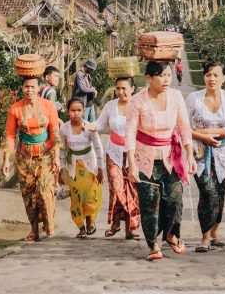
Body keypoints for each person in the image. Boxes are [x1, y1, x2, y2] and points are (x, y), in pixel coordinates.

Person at [125, 61, 196, 261]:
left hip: (170, 158)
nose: (166, 79)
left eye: (168, 75)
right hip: (144, 160)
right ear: (149, 78)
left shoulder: (175, 97)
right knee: (149, 204)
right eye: (161, 75)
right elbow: (129, 133)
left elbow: (184, 127)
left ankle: (172, 235)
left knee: (174, 199)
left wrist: (190, 154)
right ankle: (153, 245)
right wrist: (131, 164)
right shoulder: (138, 101)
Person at [185, 61, 225, 252]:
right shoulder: (194, 98)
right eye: (208, 74)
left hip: (223, 153)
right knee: (207, 192)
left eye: (216, 75)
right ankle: (205, 236)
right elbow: (183, 126)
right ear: (204, 77)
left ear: (224, 78)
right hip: (200, 152)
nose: (212, 78)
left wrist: (212, 132)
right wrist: (202, 136)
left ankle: (215, 231)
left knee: (220, 193)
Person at [2, 76, 61, 242]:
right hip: (24, 157)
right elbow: (10, 136)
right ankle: (34, 229)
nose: (30, 90)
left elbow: (55, 131)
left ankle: (49, 224)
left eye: (33, 87)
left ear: (39, 88)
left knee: (45, 190)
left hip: (46, 154)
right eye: (27, 87)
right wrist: (6, 160)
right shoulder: (15, 109)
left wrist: (56, 157)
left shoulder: (48, 106)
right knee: (28, 194)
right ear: (22, 88)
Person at [89, 76, 141, 239]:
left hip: (135, 154)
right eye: (117, 88)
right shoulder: (110, 106)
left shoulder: (139, 106)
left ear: (132, 88)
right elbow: (99, 124)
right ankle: (117, 222)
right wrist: (87, 125)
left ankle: (128, 228)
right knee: (117, 188)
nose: (120, 92)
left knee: (132, 190)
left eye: (124, 88)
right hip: (114, 152)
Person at [59, 98, 106, 237]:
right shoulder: (64, 129)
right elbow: (62, 150)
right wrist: (61, 170)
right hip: (73, 167)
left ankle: (90, 221)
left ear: (83, 111)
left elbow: (98, 148)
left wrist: (101, 169)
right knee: (76, 198)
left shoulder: (89, 127)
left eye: (79, 110)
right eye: (73, 110)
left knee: (90, 196)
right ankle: (81, 228)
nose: (76, 113)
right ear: (68, 111)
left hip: (90, 166)